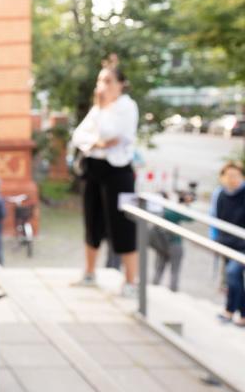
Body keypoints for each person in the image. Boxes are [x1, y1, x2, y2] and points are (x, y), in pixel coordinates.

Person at [70, 62, 140, 295]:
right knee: (92, 221)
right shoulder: (99, 108)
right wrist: (97, 141)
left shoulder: (126, 107)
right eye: (100, 81)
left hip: (119, 172)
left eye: (108, 81)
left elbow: (112, 135)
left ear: (121, 84)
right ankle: (89, 272)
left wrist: (98, 136)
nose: (103, 86)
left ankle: (130, 281)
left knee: (124, 225)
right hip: (94, 169)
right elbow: (79, 135)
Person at [215, 162, 245, 326]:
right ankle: (237, 312)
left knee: (233, 274)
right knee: (234, 278)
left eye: (236, 175)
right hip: (227, 243)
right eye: (229, 176)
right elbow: (218, 219)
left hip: (242, 245)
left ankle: (230, 310)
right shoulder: (221, 194)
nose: (232, 179)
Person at [150, 193, 192, 292]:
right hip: (175, 243)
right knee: (175, 271)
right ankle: (173, 291)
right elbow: (190, 218)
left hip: (161, 244)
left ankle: (154, 288)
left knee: (159, 269)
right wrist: (187, 203)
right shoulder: (173, 211)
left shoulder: (159, 211)